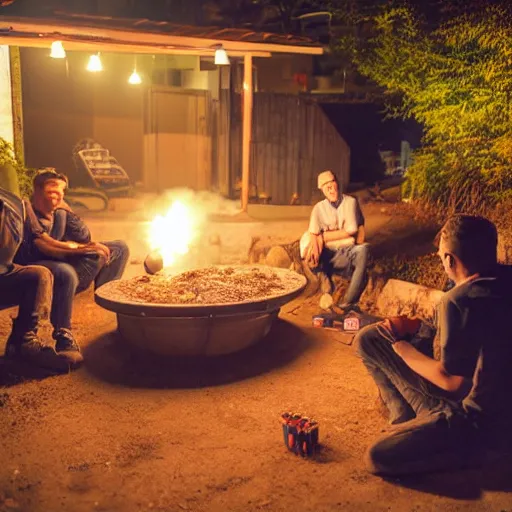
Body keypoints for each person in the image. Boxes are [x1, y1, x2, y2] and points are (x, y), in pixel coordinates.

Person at [354, 214, 512, 476]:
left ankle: (462, 449)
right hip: (495, 404)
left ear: (450, 259)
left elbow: (453, 382)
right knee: (368, 338)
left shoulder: (458, 300)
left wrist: (401, 346)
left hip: (477, 419)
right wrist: (419, 327)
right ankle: (409, 420)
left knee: (378, 456)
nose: (441, 263)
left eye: (441, 257)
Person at [15, 169, 129, 362]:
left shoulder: (60, 212)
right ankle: (63, 334)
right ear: (37, 190)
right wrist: (85, 249)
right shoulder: (27, 211)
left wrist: (68, 212)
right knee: (67, 272)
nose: (58, 195)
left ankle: (104, 296)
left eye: (62, 191)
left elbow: (84, 236)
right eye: (52, 189)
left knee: (119, 248)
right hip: (36, 265)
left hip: (62, 260)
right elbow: (45, 246)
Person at [0, 185, 74, 371]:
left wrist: (82, 248)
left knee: (39, 275)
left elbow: (39, 238)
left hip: (3, 270)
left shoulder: (13, 201)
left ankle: (22, 344)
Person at [300, 170, 369, 311]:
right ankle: (326, 286)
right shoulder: (319, 209)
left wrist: (324, 236)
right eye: (327, 187)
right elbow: (313, 234)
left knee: (364, 249)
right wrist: (317, 243)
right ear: (322, 190)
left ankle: (348, 303)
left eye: (333, 185)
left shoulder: (350, 202)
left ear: (337, 184)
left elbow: (351, 230)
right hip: (328, 254)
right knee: (309, 251)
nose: (332, 190)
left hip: (346, 252)